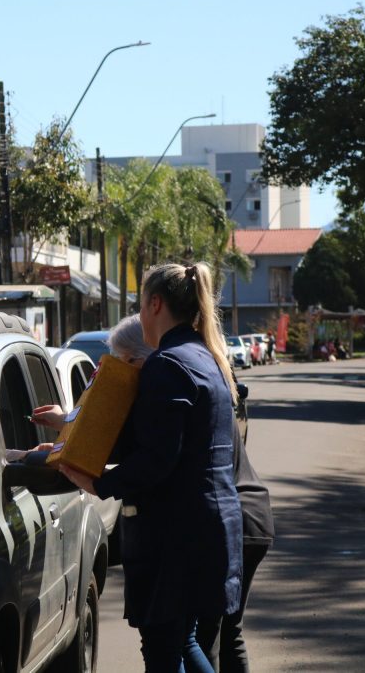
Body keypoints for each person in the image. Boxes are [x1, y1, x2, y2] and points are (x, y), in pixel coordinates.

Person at [52, 262, 243, 673]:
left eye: (141, 304)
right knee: (176, 644)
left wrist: (98, 483)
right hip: (203, 531)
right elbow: (154, 440)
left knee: (162, 651)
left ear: (155, 303)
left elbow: (157, 458)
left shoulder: (168, 364)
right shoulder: (203, 356)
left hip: (177, 538)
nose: (140, 314)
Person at [195, 417, 274, 673]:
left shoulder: (200, 402)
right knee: (230, 628)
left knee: (208, 632)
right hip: (255, 516)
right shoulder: (220, 402)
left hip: (233, 520)